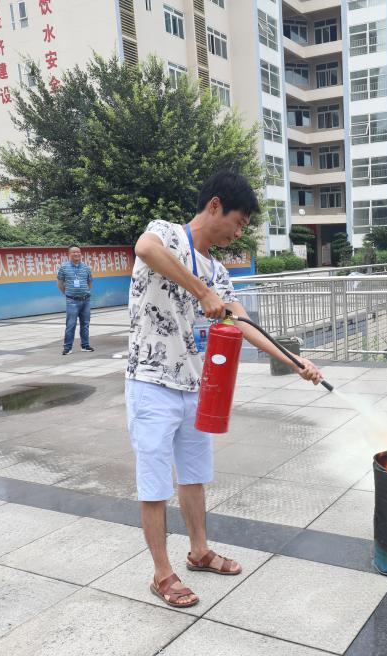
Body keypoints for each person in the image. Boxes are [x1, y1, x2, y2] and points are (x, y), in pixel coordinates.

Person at [128, 171, 323, 608]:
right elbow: (144, 249)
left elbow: (241, 320)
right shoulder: (166, 233)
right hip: (150, 381)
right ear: (214, 206)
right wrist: (199, 292)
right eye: (238, 221)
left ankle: (199, 551)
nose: (238, 232)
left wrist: (295, 363)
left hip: (193, 384)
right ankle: (162, 574)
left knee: (194, 475)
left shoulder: (218, 270)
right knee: (155, 483)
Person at [56, 246, 93, 355]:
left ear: (81, 253)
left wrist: (83, 292)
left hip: (86, 300)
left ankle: (85, 345)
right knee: (71, 324)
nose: (76, 254)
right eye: (73, 252)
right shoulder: (64, 267)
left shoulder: (86, 268)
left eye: (78, 252)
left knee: (85, 324)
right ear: (69, 254)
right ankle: (67, 348)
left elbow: (90, 282)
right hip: (72, 301)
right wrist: (68, 294)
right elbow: (60, 284)